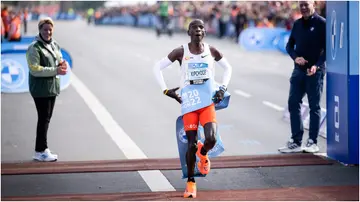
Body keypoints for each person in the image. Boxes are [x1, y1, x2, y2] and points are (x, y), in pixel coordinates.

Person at [153, 19, 232, 198]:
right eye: (194, 27)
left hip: (207, 102)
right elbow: (157, 67)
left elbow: (228, 68)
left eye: (201, 27)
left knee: (210, 139)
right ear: (189, 32)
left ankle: (203, 154)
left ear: (205, 32)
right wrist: (166, 90)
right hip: (189, 103)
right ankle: (190, 182)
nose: (198, 30)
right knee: (191, 143)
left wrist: (222, 88)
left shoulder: (211, 51)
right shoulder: (181, 51)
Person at [278, 1, 326, 154]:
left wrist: (317, 65)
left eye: (306, 4)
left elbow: (327, 49)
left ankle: (312, 141)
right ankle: (296, 141)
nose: (303, 8)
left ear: (314, 4)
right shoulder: (297, 24)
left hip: (315, 72)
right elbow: (289, 46)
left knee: (314, 107)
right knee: (293, 103)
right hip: (298, 70)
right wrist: (295, 58)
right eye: (301, 5)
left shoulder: (321, 23)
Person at [26, 17, 69, 162]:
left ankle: (41, 149)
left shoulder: (55, 44)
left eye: (50, 29)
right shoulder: (34, 47)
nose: (48, 32)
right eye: (45, 29)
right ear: (40, 30)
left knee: (46, 118)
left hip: (51, 87)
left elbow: (60, 58)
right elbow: (35, 70)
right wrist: (56, 70)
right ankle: (40, 150)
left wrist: (63, 64)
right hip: (40, 89)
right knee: (43, 119)